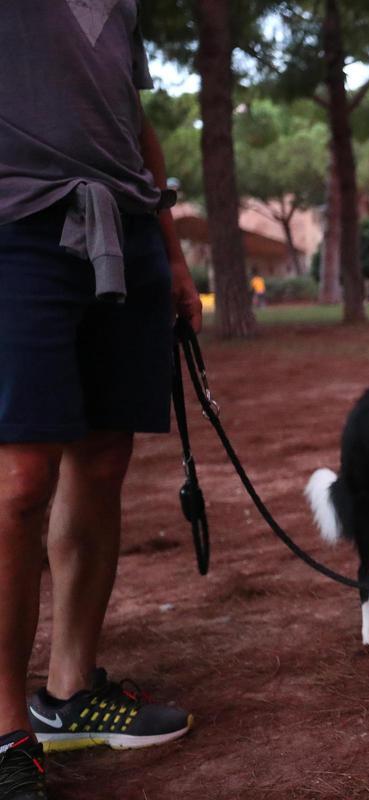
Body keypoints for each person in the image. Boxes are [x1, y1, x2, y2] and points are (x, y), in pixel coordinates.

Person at [0, 3, 203, 798]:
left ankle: (70, 693)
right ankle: (6, 727)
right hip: (15, 233)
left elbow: (129, 117)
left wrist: (174, 253)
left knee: (104, 456)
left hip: (123, 228)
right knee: (19, 482)